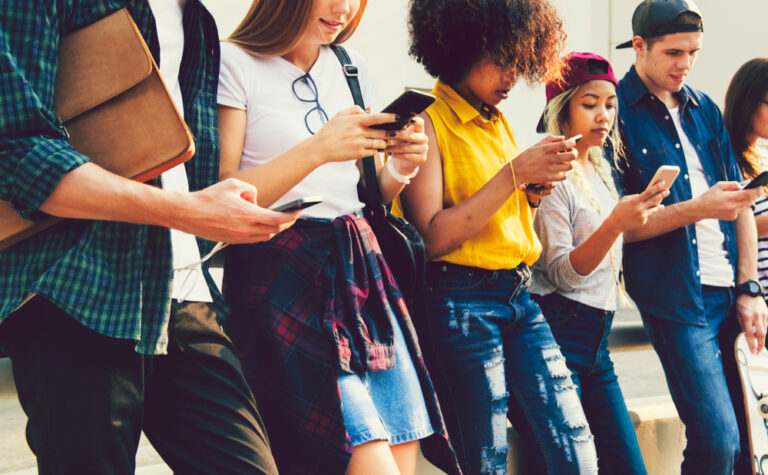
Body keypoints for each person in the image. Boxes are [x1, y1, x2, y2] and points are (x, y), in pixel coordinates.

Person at [0, 0, 299, 473]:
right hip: (77, 294)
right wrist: (189, 213)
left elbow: (187, 164)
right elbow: (16, 151)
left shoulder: (196, 20)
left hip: (184, 292)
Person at [215, 0, 460, 474]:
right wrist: (319, 149)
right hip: (281, 273)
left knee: (400, 448)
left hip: (360, 273)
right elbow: (224, 194)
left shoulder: (350, 67)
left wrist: (401, 169)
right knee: (359, 453)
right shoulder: (235, 62)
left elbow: (364, 193)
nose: (344, 8)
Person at [399, 1, 599, 473]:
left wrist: (530, 193)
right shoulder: (425, 123)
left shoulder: (497, 119)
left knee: (576, 449)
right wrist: (515, 173)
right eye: (503, 59)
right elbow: (430, 237)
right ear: (459, 47)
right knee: (484, 459)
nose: (513, 76)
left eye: (521, 60)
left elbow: (506, 225)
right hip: (458, 301)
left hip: (518, 295)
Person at [615, 1, 768, 473]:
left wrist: (749, 288)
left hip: (729, 292)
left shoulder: (704, 109)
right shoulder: (614, 110)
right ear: (639, 46)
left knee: (750, 443)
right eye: (674, 52)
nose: (685, 64)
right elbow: (616, 226)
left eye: (694, 53)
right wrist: (697, 209)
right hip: (675, 299)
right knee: (718, 442)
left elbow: (738, 204)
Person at [530, 52, 668, 474]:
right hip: (559, 333)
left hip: (598, 343)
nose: (603, 115)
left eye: (610, 105)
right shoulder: (551, 170)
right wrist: (615, 223)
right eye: (590, 104)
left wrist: (636, 214)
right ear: (562, 106)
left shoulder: (598, 166)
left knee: (628, 466)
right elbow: (562, 273)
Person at [724, 58, 768, 297]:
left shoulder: (758, 158)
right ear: (749, 101)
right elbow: (728, 224)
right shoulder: (723, 157)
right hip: (750, 296)